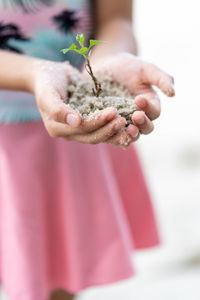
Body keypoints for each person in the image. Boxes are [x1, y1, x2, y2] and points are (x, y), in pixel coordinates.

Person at [0, 0, 175, 299]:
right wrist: (33, 73)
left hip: (73, 127)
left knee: (58, 272)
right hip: (13, 133)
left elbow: (116, 19)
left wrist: (110, 57)